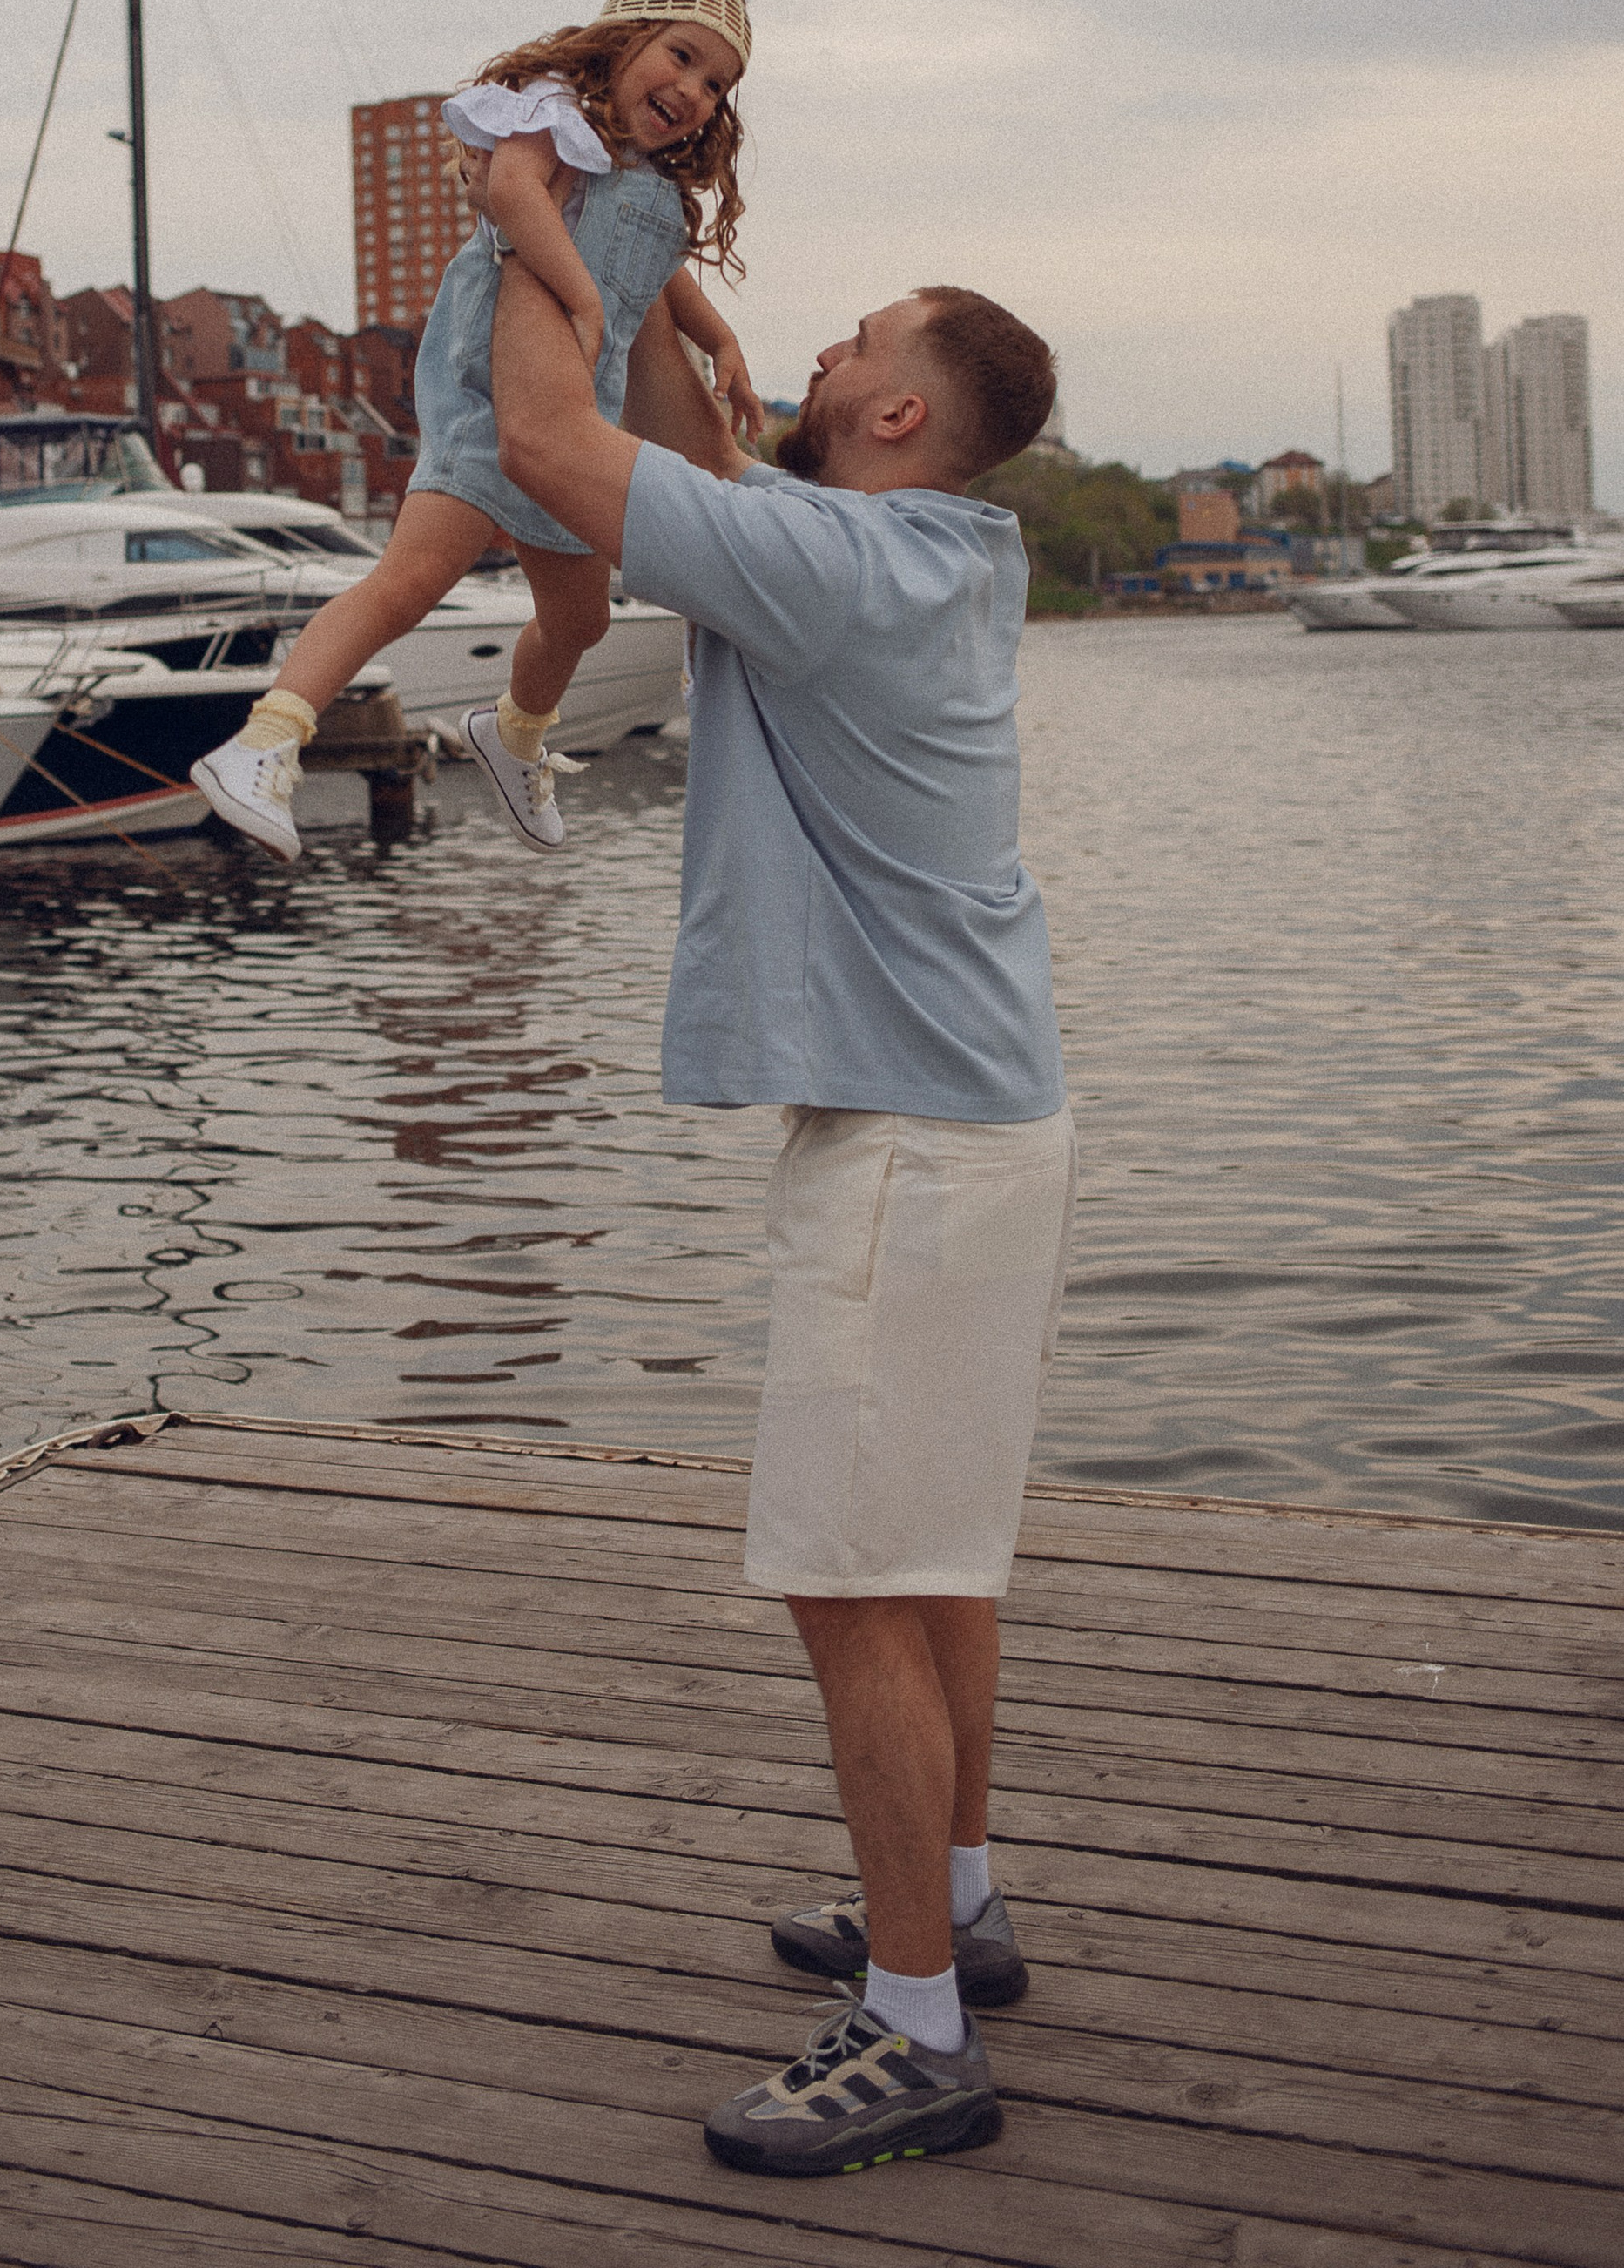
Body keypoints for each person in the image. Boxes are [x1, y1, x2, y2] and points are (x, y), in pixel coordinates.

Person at [489, 265, 1073, 2184]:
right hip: (982, 1117)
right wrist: (652, 284)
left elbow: (551, 449)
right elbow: (699, 464)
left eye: (853, 349)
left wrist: (521, 223)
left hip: (900, 1146)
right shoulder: (929, 555)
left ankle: (915, 2030)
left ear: (898, 417)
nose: (815, 353)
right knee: (935, 1558)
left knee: (845, 1580)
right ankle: (958, 1907)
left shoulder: (829, 572)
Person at [192, 0, 765, 861]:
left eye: (717, 83)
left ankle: (514, 733)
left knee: (583, 620)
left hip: (581, 411)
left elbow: (660, 281)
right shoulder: (552, 111)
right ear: (623, 40)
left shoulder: (649, 180)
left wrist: (721, 341)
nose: (694, 90)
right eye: (682, 56)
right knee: (413, 580)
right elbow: (508, 192)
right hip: (490, 386)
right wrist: (579, 302)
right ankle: (263, 742)